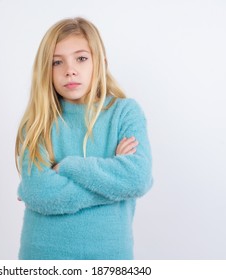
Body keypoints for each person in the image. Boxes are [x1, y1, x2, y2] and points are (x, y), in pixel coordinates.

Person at [15, 17, 153, 260]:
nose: (70, 70)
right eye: (57, 62)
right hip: (42, 257)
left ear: (100, 63)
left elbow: (137, 178)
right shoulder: (38, 122)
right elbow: (39, 193)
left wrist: (68, 166)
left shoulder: (124, 113)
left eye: (81, 58)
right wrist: (114, 185)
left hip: (108, 258)